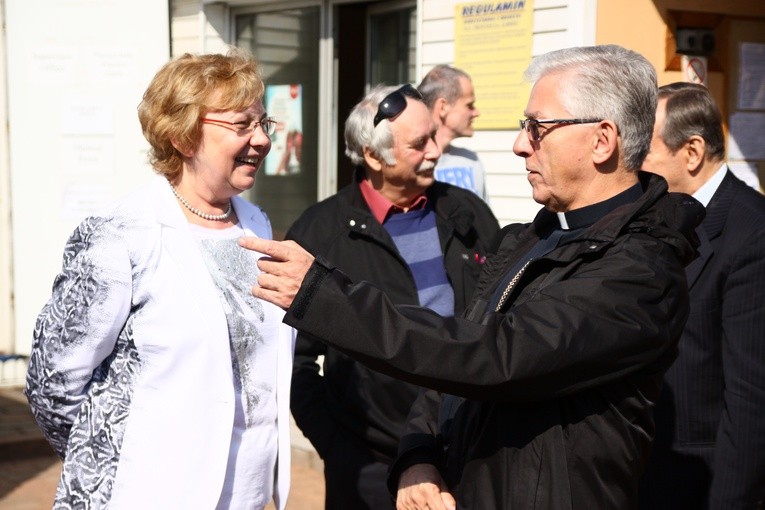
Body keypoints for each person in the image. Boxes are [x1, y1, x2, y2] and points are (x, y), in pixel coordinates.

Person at [241, 44, 704, 509]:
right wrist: (418, 454)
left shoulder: (641, 272)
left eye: (537, 128)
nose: (520, 143)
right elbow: (456, 355)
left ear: (602, 140)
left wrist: (327, 297)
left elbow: (494, 355)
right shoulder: (532, 238)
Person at [25, 50, 295, 509]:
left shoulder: (257, 227)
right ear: (184, 137)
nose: (261, 140)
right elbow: (52, 382)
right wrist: (128, 456)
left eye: (262, 123)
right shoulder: (122, 235)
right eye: (241, 125)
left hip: (246, 494)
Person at [287, 83, 500, 509]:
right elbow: (295, 359)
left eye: (434, 136)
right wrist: (340, 449)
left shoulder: (468, 213)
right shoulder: (320, 232)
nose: (437, 151)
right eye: (419, 143)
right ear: (373, 155)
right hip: (371, 467)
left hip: (469, 454)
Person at [639, 82, 765, 509]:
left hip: (704, 481)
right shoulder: (658, 216)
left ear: (691, 152)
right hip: (646, 468)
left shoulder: (753, 234)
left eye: (645, 152)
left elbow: (751, 397)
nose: (633, 165)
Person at [418, 65, 488, 201]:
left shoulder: (471, 160)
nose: (476, 113)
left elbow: (485, 219)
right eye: (469, 105)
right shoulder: (414, 164)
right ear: (443, 107)